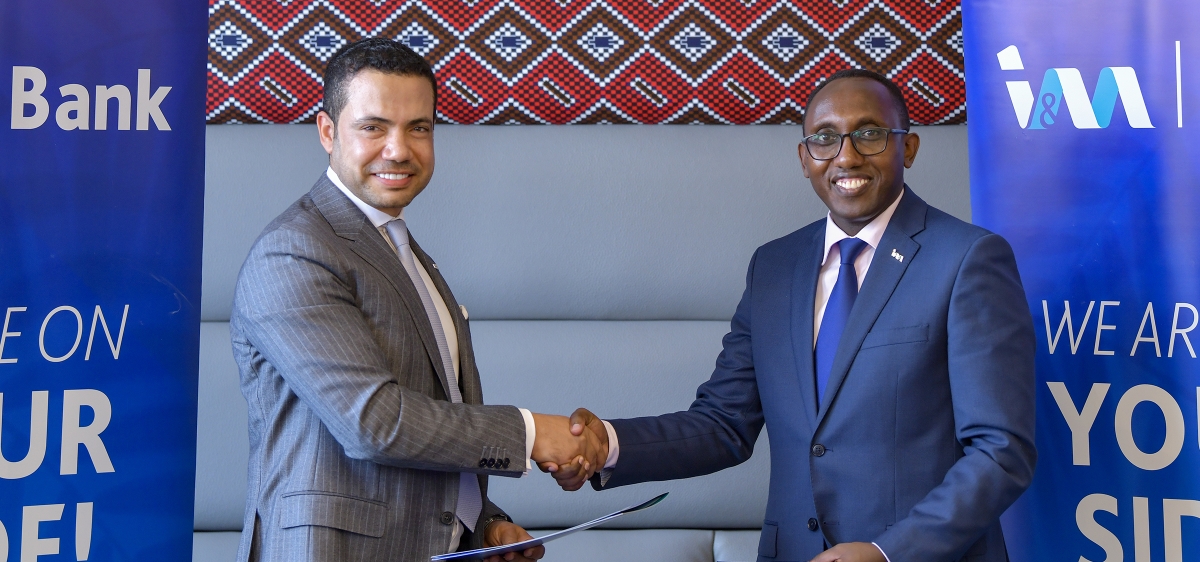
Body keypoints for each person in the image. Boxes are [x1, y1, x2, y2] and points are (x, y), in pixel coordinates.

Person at [557, 70, 1038, 562]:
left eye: (870, 134)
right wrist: (607, 443)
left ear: (908, 148)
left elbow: (1001, 451)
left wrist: (888, 552)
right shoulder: (774, 267)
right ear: (805, 158)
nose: (846, 156)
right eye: (825, 139)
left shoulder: (968, 259)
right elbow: (724, 423)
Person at [229, 38, 603, 562]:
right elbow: (373, 422)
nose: (399, 149)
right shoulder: (295, 251)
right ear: (327, 131)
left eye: (419, 128)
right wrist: (532, 432)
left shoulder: (403, 251)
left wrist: (481, 523)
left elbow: (437, 415)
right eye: (373, 126)